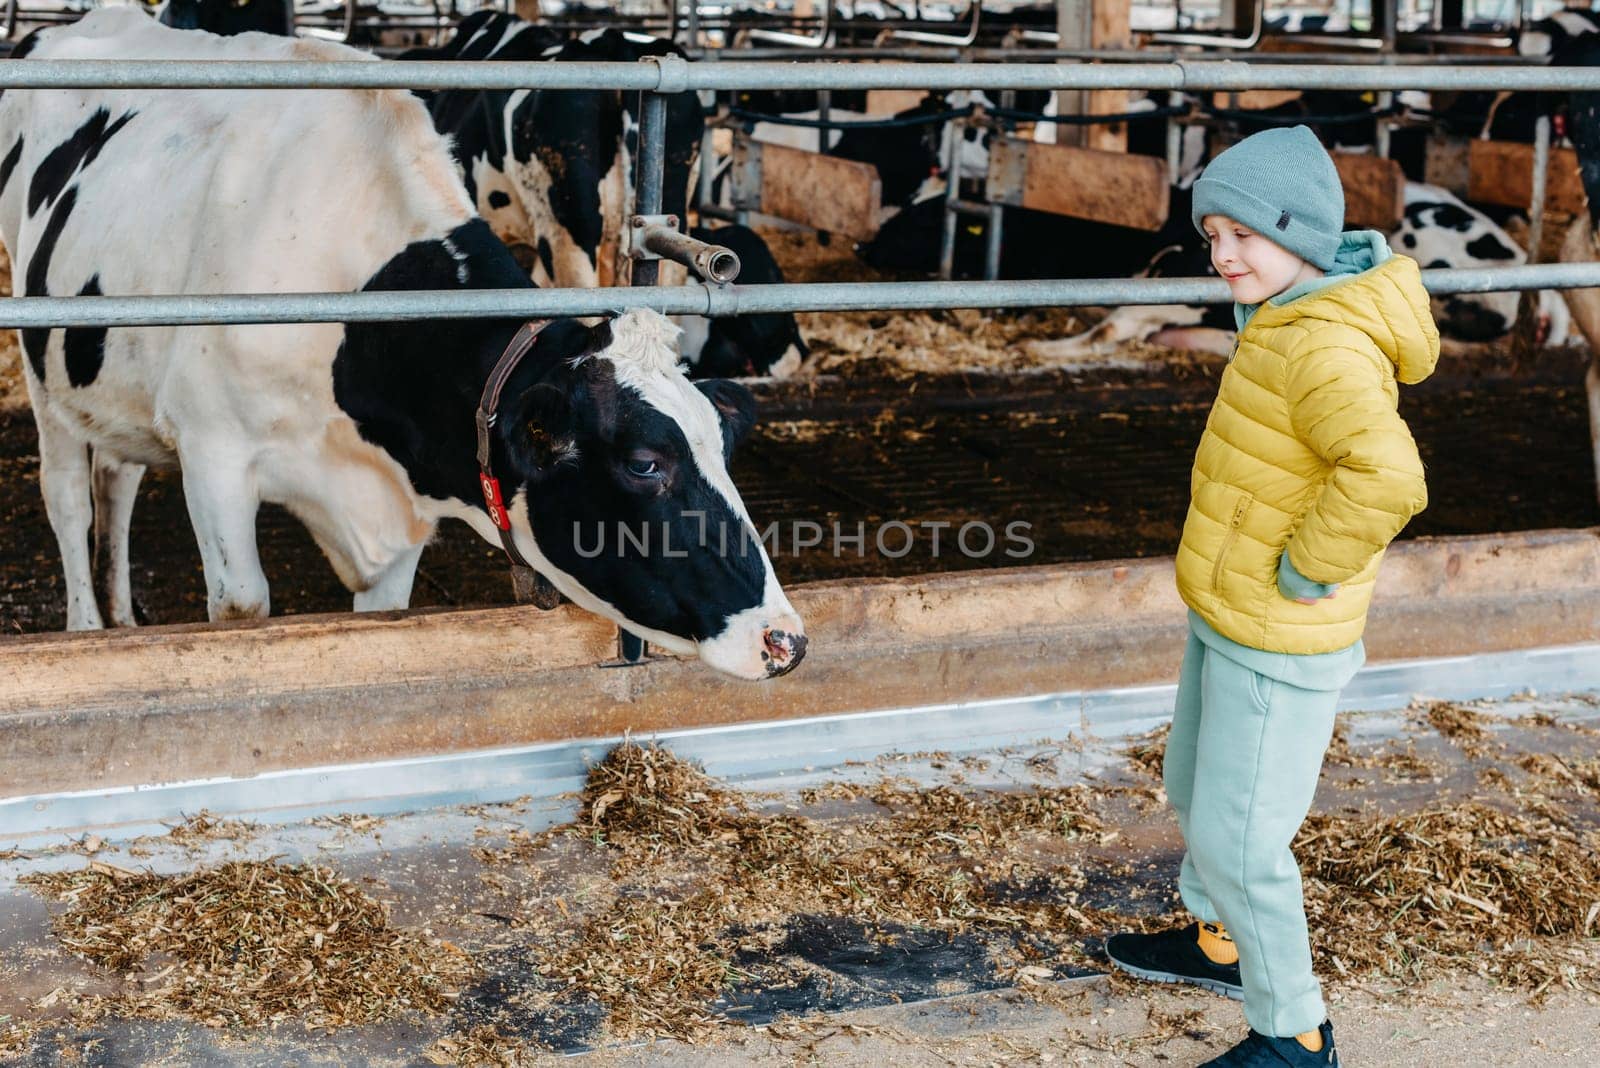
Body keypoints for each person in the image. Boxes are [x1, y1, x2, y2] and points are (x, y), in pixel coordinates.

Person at [1103, 125, 1440, 1067]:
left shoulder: (1322, 345)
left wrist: (1306, 568)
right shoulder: (1286, 316)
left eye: (1243, 234)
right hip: (1230, 610)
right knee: (1191, 782)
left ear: (1301, 232)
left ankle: (1295, 1032)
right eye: (1212, 236)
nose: (1222, 255)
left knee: (1241, 837)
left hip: (1278, 628)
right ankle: (1218, 942)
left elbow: (1386, 475)